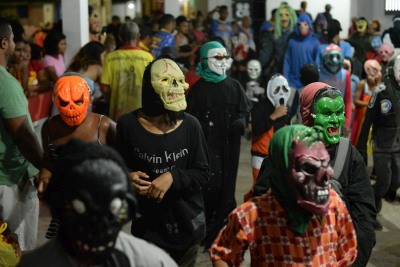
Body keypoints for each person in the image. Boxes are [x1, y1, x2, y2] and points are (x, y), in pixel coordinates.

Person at [254, 82, 377, 266]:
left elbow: (364, 217)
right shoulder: (284, 152)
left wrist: (353, 261)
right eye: (327, 113)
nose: (335, 120)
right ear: (307, 115)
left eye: (339, 113)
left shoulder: (348, 156)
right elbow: (260, 209)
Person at [210, 125, 358, 266]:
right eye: (307, 167)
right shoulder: (254, 214)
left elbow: (347, 253)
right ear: (282, 171)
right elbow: (223, 254)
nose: (324, 176)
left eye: (324, 164)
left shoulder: (334, 205)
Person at [19, 139, 178, 266]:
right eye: (83, 209)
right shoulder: (153, 261)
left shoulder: (153, 262)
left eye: (108, 208)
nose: (96, 226)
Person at [116, 58, 210, 266]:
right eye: (166, 80)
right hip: (148, 231)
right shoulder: (128, 125)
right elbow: (116, 168)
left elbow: (203, 172)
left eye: (178, 80)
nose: (175, 87)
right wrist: (127, 177)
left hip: (187, 227)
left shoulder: (190, 126)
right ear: (150, 87)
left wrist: (173, 177)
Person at [186, 41, 251, 249]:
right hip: (204, 148)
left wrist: (241, 121)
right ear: (205, 60)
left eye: (224, 57)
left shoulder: (234, 87)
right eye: (217, 57)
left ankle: (221, 232)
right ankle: (203, 231)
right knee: (206, 187)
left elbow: (245, 111)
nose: (222, 62)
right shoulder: (197, 91)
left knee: (226, 187)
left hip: (228, 148)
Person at [0, 17, 43, 252]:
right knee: (15, 250)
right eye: (14, 39)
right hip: (10, 181)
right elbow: (23, 135)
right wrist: (46, 166)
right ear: (4, 43)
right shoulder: (5, 83)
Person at [357, 52, 400, 230]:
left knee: (395, 181)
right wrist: (361, 149)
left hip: (398, 145)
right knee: (382, 184)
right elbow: (367, 122)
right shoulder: (380, 92)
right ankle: (370, 212)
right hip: (382, 146)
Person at [243, 74, 291, 202]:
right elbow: (256, 130)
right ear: (270, 90)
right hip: (260, 156)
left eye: (284, 89)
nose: (281, 93)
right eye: (277, 89)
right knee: (259, 189)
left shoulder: (287, 109)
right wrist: (273, 116)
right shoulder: (260, 107)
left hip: (279, 157)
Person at [100, 21, 153, 121]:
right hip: (142, 115)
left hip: (118, 116)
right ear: (138, 37)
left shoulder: (110, 58)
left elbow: (105, 88)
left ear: (120, 37)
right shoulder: (148, 57)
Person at [318, 44, 352, 137]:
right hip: (321, 118)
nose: (334, 61)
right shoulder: (318, 73)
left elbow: (348, 100)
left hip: (338, 119)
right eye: (331, 56)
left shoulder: (345, 75)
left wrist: (347, 122)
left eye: (337, 57)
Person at [258, 3, 297, 77]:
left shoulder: (296, 35)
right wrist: (257, 65)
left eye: (287, 15)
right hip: (278, 71)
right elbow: (266, 53)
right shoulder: (271, 34)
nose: (284, 18)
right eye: (281, 15)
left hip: (294, 73)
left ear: (291, 16)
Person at [283, 13, 320, 89]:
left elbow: (317, 64)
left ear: (309, 25)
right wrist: (286, 80)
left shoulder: (315, 43)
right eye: (300, 24)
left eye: (305, 24)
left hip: (310, 83)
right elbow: (287, 62)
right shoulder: (292, 42)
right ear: (297, 26)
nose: (302, 27)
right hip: (293, 82)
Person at [351, 59, 382, 146]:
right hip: (361, 116)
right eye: (374, 70)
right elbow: (356, 101)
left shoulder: (379, 86)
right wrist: (369, 105)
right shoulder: (362, 83)